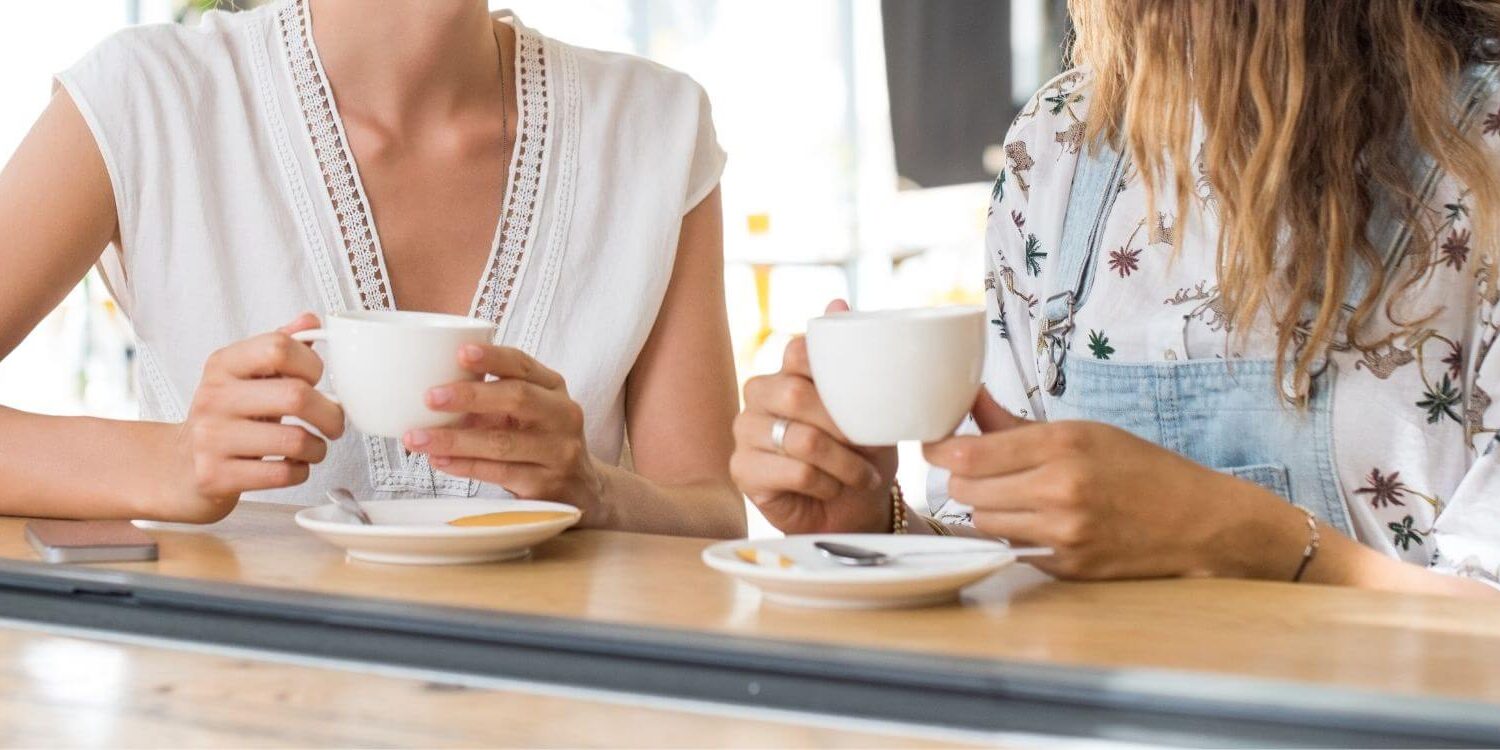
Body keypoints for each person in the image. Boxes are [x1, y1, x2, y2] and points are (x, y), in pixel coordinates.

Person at [733, 0, 1500, 595]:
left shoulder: (1481, 154)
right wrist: (878, 525)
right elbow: (1011, 565)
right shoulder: (1062, 143)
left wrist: (1244, 539)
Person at [0, 0, 745, 538]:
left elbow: (711, 509)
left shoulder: (656, 125)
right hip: (234, 706)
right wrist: (170, 462)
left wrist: (597, 492)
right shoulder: (147, 97)